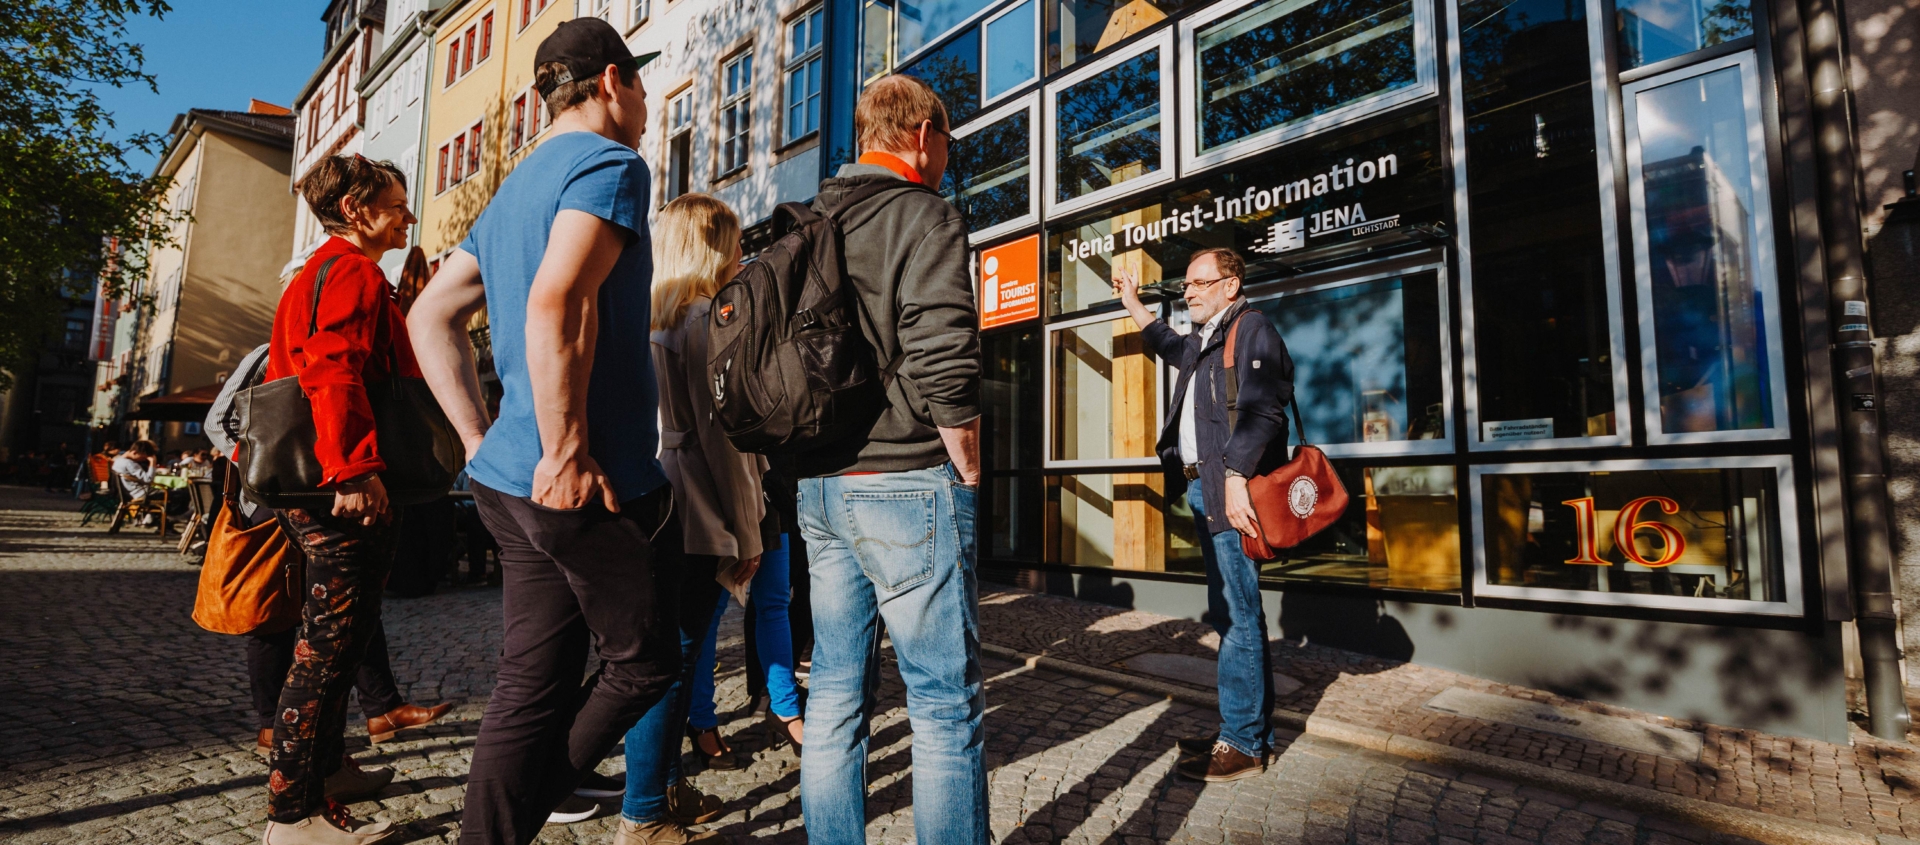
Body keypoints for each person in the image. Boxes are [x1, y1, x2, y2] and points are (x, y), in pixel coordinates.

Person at [407, 19, 701, 845]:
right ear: (613, 81)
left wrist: (476, 437)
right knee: (643, 659)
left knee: (530, 685)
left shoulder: (515, 186)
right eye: (641, 86)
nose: (644, 103)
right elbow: (557, 301)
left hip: (507, 480)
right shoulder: (611, 164)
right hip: (580, 482)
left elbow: (430, 314)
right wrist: (566, 448)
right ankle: (509, 824)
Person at [790, 74, 986, 845]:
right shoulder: (924, 213)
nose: (947, 157)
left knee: (835, 693)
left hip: (824, 485)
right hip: (906, 479)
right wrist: (967, 466)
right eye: (947, 142)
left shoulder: (811, 221)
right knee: (942, 703)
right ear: (922, 135)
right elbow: (945, 352)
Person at [256, 153, 425, 845]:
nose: (407, 217)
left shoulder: (334, 271)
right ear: (356, 209)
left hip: (318, 482)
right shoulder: (349, 269)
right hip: (332, 487)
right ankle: (292, 817)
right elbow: (332, 364)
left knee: (342, 641)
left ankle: (328, 772)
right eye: (394, 204)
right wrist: (354, 469)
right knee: (326, 651)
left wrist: (406, 305)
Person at [1113, 246, 1295, 782]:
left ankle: (1241, 741)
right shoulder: (1203, 342)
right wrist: (1132, 302)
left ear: (1230, 285)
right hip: (1203, 491)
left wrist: (1236, 478)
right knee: (1231, 613)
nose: (1187, 290)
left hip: (1229, 492)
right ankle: (1244, 732)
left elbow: (1265, 409)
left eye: (1198, 282)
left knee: (1238, 615)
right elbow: (1166, 343)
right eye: (1186, 283)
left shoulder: (1252, 329)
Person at [640, 195, 797, 793]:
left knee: (674, 647)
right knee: (682, 649)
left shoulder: (657, 323)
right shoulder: (705, 321)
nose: (741, 253)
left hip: (668, 491)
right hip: (704, 502)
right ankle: (657, 791)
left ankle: (663, 779)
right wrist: (748, 532)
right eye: (733, 241)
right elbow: (725, 443)